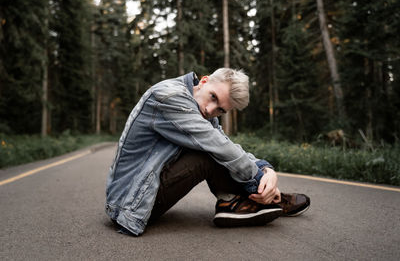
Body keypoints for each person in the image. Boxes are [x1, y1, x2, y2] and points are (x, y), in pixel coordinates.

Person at [105, 68, 310, 236]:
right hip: (129, 201)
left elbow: (226, 143)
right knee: (208, 153)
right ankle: (262, 198)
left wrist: (266, 170)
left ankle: (237, 201)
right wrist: (257, 179)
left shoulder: (203, 112)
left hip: (146, 190)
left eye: (221, 109)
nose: (211, 110)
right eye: (213, 97)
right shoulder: (168, 96)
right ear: (203, 81)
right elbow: (218, 146)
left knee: (217, 147)